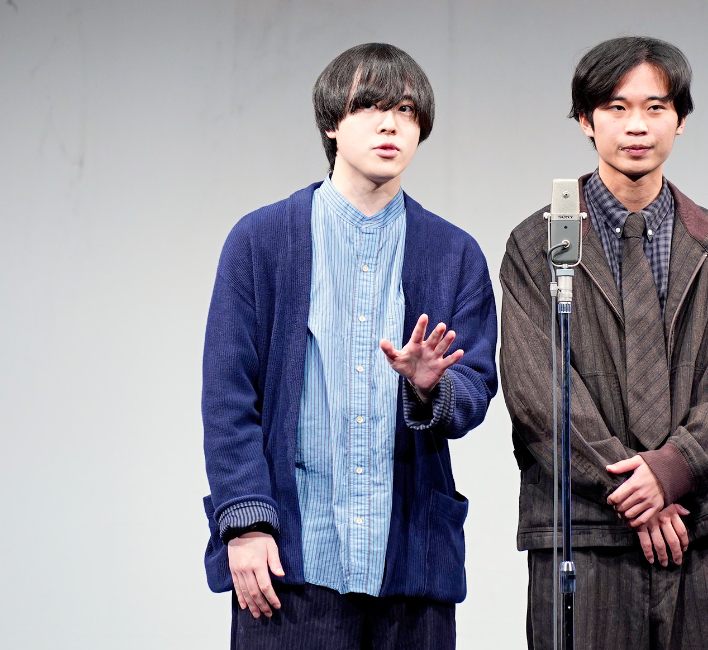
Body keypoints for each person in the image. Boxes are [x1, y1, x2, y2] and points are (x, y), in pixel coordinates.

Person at [202, 43, 498, 650]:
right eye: (370, 107)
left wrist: (432, 387)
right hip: (290, 559)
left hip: (410, 566)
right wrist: (246, 522)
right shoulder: (261, 241)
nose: (391, 125)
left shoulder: (454, 253)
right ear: (332, 123)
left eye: (406, 111)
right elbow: (228, 395)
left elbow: (475, 388)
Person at [500, 36, 708, 649]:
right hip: (581, 531)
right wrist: (636, 489)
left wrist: (671, 472)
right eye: (616, 108)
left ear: (680, 119)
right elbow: (537, 391)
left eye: (655, 107)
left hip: (696, 528)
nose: (636, 125)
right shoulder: (537, 244)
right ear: (586, 121)